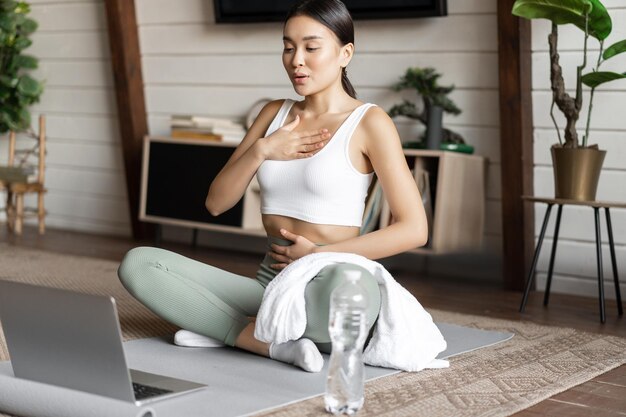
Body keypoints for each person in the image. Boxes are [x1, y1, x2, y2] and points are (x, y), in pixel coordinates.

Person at [118, 0, 428, 373]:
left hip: (332, 281)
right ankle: (263, 340)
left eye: (312, 48)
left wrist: (318, 254)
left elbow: (414, 229)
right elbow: (216, 203)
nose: (296, 60)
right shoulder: (274, 114)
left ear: (345, 53)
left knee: (353, 294)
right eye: (288, 46)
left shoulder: (369, 121)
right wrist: (264, 149)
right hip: (272, 282)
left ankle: (228, 328)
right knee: (139, 264)